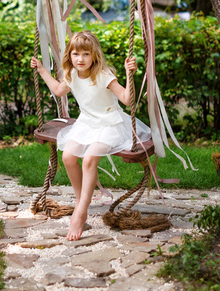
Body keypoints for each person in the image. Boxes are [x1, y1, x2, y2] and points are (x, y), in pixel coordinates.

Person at [31, 31, 151, 241]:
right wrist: (42, 70)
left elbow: (127, 100)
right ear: (70, 55)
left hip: (110, 123)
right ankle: (81, 201)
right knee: (68, 157)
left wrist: (129, 73)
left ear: (94, 56)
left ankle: (80, 211)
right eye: (76, 54)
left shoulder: (103, 74)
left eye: (86, 54)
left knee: (89, 159)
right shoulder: (72, 75)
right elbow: (59, 91)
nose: (80, 59)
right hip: (86, 123)